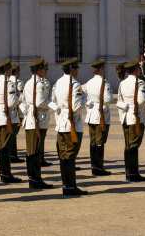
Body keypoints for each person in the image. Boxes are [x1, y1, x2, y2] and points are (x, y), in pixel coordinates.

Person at [51, 57, 88, 197]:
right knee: (70, 157)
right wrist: (84, 98)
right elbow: (77, 107)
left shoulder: (58, 82)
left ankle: (67, 185)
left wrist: (60, 110)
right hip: (72, 125)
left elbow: (52, 102)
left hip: (61, 124)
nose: (78, 71)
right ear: (72, 69)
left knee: (64, 157)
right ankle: (70, 187)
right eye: (76, 68)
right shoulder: (76, 85)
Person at [19, 57, 54, 189]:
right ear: (39, 70)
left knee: (35, 150)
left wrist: (27, 111)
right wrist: (51, 105)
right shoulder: (36, 83)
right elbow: (39, 103)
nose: (46, 71)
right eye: (44, 69)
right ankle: (34, 179)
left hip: (35, 120)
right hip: (36, 121)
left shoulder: (32, 82)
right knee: (34, 151)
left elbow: (22, 101)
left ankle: (35, 178)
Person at [116, 57, 145, 182]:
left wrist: (126, 107)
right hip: (136, 118)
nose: (140, 70)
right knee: (133, 146)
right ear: (136, 69)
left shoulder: (122, 83)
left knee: (128, 146)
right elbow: (141, 100)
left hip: (125, 117)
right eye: (139, 68)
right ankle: (133, 174)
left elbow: (119, 101)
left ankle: (129, 173)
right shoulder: (140, 83)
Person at [0, 59, 23, 184]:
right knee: (5, 148)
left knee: (3, 146)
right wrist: (20, 98)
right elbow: (10, 102)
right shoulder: (9, 84)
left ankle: (5, 173)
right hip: (8, 118)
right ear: (7, 69)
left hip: (0, 117)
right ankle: (5, 174)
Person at [83, 57, 114, 177]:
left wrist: (88, 102)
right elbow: (108, 98)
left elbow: (81, 92)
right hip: (100, 115)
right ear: (101, 69)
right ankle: (98, 167)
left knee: (93, 142)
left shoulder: (89, 82)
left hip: (91, 115)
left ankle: (94, 165)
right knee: (100, 142)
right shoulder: (104, 83)